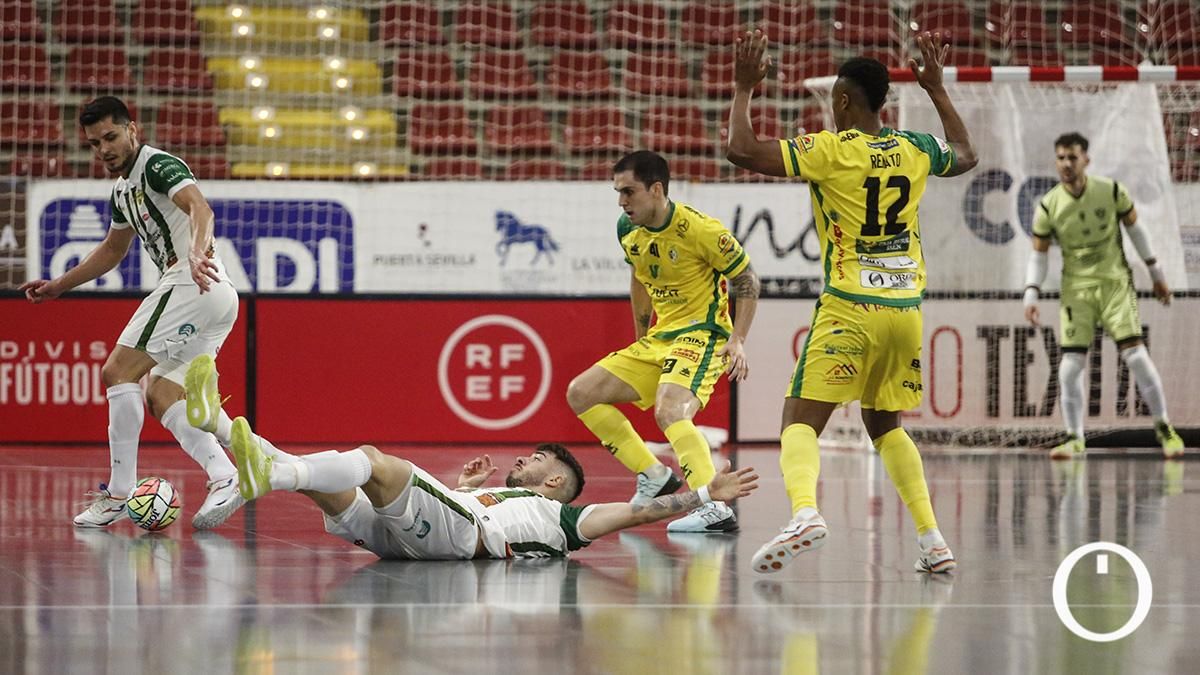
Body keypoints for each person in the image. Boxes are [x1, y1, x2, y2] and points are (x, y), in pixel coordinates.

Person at [725, 31, 979, 573]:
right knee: (886, 424)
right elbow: (967, 155)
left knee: (798, 418)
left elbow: (741, 150)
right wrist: (935, 88)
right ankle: (933, 540)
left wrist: (745, 87)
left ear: (842, 100)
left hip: (849, 304)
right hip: (906, 311)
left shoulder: (829, 149)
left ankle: (804, 513)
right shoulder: (913, 148)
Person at [188, 355, 758, 559]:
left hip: (463, 540)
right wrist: (456, 487)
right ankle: (220, 427)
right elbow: (426, 510)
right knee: (323, 485)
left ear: (557, 480)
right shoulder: (503, 494)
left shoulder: (567, 519)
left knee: (372, 458)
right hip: (419, 537)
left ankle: (261, 469)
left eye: (536, 459)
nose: (524, 462)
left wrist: (707, 494)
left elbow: (637, 515)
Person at [18, 96, 244, 529]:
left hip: (191, 281)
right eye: (93, 143)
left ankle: (120, 493)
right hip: (214, 295)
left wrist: (195, 254)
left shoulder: (157, 165)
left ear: (132, 131)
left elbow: (201, 207)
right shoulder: (121, 192)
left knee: (117, 372)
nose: (103, 149)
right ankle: (225, 475)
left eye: (110, 136)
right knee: (161, 394)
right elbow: (111, 251)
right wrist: (57, 287)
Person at [565, 150, 761, 533]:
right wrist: (642, 335)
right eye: (618, 193)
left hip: (702, 335)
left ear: (656, 189)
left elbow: (747, 279)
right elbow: (639, 276)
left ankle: (714, 505)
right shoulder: (627, 228)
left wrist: (738, 339)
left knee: (670, 411)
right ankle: (653, 475)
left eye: (629, 192)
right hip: (659, 338)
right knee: (581, 393)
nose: (622, 202)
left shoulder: (702, 230)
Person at [1022, 132, 1184, 460]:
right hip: (1075, 291)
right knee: (1068, 369)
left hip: (1114, 284)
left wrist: (1157, 275)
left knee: (1136, 357)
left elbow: (1136, 230)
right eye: (1061, 158)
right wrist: (1030, 294)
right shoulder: (1048, 205)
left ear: (1086, 160)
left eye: (1073, 157)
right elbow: (1038, 255)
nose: (1066, 164)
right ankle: (1074, 437)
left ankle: (1164, 427)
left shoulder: (1110, 191)